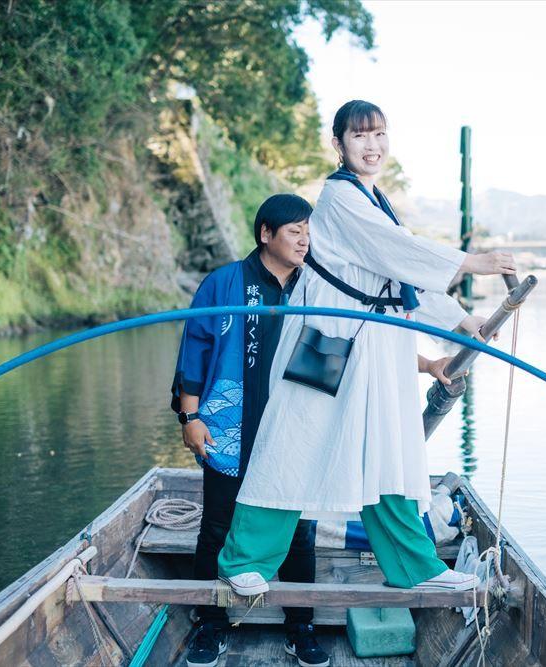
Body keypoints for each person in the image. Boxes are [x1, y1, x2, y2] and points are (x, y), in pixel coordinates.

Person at [216, 100, 516, 598]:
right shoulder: (339, 198)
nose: (371, 146)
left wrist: (464, 321)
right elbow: (399, 251)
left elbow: (399, 277)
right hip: (329, 337)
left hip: (381, 342)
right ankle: (244, 559)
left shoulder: (375, 199)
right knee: (294, 442)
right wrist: (471, 261)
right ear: (339, 145)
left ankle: (413, 565)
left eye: (379, 135)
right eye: (359, 136)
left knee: (392, 450)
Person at [170, 194, 330, 667]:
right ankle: (211, 624)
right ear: (266, 234)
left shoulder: (317, 287)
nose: (304, 239)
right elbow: (194, 350)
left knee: (300, 530)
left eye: (308, 231)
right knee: (218, 525)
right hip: (229, 425)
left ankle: (301, 627)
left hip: (295, 429)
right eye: (294, 230)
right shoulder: (224, 283)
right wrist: (190, 417)